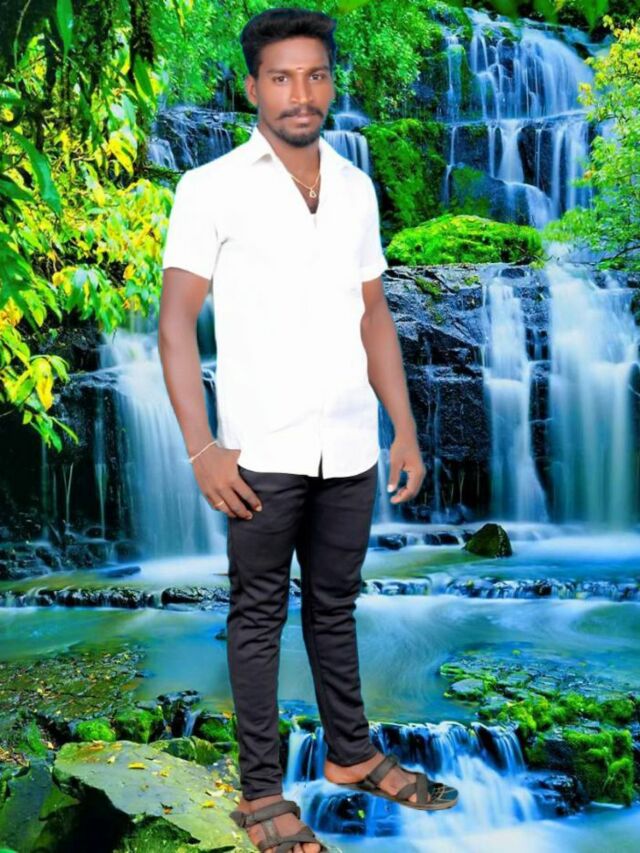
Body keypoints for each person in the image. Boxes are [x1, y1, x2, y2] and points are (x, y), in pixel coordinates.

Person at [158, 7, 459, 852]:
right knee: (257, 616)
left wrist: (403, 428)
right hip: (260, 446)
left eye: (316, 75)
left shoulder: (355, 187)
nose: (302, 93)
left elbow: (373, 314)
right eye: (282, 78)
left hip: (350, 440)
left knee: (334, 605)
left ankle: (350, 753)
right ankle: (262, 793)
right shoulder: (210, 188)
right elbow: (175, 324)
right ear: (253, 87)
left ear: (331, 82)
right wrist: (202, 447)